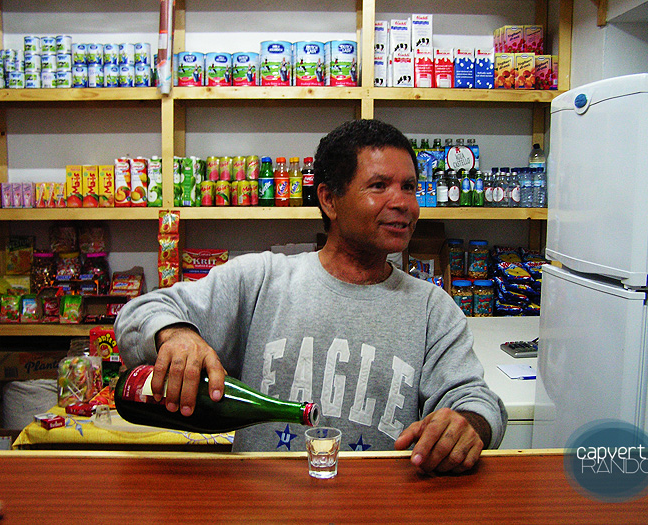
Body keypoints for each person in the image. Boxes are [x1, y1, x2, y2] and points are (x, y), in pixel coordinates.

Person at [115, 119, 507, 473]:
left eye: (409, 187)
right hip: (262, 508)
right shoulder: (261, 279)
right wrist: (177, 334)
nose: (404, 203)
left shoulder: (432, 308)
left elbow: (476, 400)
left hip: (380, 510)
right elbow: (139, 313)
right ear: (329, 200)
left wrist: (468, 425)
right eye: (379, 186)